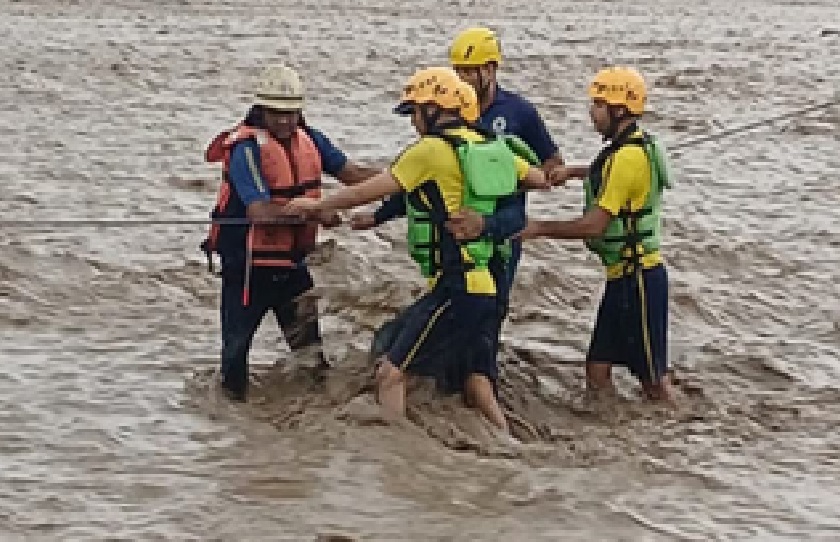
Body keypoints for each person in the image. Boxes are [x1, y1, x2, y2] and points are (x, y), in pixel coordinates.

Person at [283, 67, 548, 431]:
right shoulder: (486, 146)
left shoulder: (430, 150)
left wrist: (316, 207)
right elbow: (537, 178)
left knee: (391, 374)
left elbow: (369, 188)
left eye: (415, 113)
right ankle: (507, 447)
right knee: (476, 381)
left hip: (457, 289)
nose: (413, 123)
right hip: (485, 284)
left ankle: (397, 454)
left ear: (433, 110)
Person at [353, 27, 563, 353]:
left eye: (469, 70)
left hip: (500, 227)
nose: (462, 77)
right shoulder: (446, 112)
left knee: (488, 314)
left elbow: (551, 166)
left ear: (490, 69)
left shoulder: (519, 112)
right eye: (458, 70)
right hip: (454, 231)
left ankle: (475, 379)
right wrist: (379, 216)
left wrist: (508, 175)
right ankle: (450, 385)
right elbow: (424, 179)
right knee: (450, 307)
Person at [202, 65, 380, 401]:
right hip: (248, 271)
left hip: (292, 268)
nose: (285, 121)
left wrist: (406, 179)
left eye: (290, 113)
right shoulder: (246, 148)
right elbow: (260, 211)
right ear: (261, 110)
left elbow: (353, 174)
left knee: (312, 358)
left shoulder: (310, 138)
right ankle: (236, 429)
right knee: (234, 361)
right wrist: (316, 211)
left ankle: (312, 415)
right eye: (276, 114)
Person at [520, 67, 674, 401]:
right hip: (622, 278)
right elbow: (609, 172)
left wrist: (539, 227)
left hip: (641, 280)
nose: (592, 112)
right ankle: (618, 438)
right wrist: (573, 172)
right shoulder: (627, 149)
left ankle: (683, 435)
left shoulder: (629, 157)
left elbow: (595, 225)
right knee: (597, 369)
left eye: (598, 105)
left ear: (619, 110)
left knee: (654, 383)